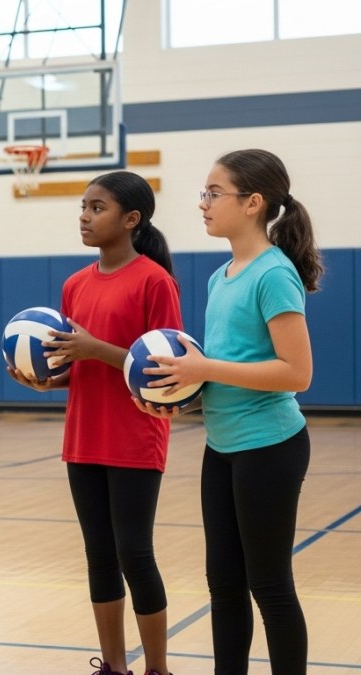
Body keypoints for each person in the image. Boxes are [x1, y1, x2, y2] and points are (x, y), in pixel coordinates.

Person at [138, 149, 320, 674]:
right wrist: (178, 392)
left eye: (213, 193)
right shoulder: (222, 277)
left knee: (269, 584)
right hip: (223, 447)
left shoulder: (273, 274)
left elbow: (296, 373)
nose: (203, 203)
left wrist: (205, 370)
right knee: (224, 584)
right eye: (204, 192)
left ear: (253, 203)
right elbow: (222, 367)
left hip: (270, 446)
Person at [7, 171, 179, 675]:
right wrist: (48, 381)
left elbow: (163, 371)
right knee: (99, 556)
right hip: (82, 440)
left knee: (134, 555)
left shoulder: (154, 281)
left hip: (135, 438)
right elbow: (80, 369)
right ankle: (113, 667)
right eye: (82, 206)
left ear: (131, 219)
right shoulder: (74, 285)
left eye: (97, 207)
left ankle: (158, 670)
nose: (84, 215)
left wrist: (94, 348)